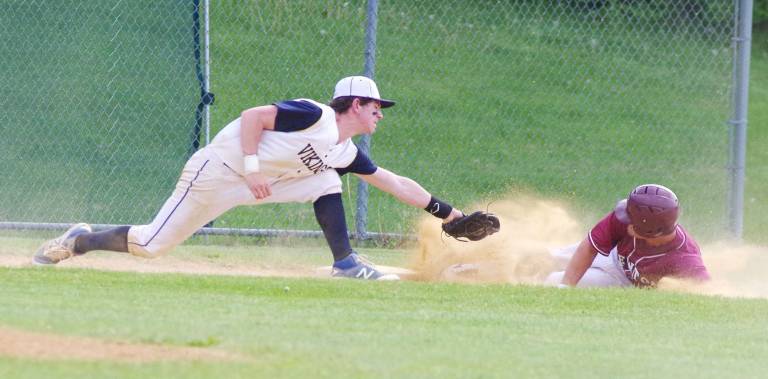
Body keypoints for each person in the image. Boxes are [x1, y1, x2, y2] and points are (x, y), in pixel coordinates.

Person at [33, 76, 464, 280]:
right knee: (150, 246)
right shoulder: (314, 115)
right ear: (354, 103)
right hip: (216, 172)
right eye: (374, 106)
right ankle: (79, 241)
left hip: (255, 183)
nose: (379, 113)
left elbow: (394, 182)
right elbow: (252, 117)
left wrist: (449, 213)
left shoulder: (344, 150)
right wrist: (253, 169)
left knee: (327, 182)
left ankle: (345, 263)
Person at [545, 183, 710, 288]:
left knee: (552, 281)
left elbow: (706, 289)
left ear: (649, 231)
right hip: (612, 253)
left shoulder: (684, 258)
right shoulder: (626, 216)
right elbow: (589, 248)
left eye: (630, 219)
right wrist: (566, 286)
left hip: (621, 281)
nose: (623, 217)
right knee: (545, 259)